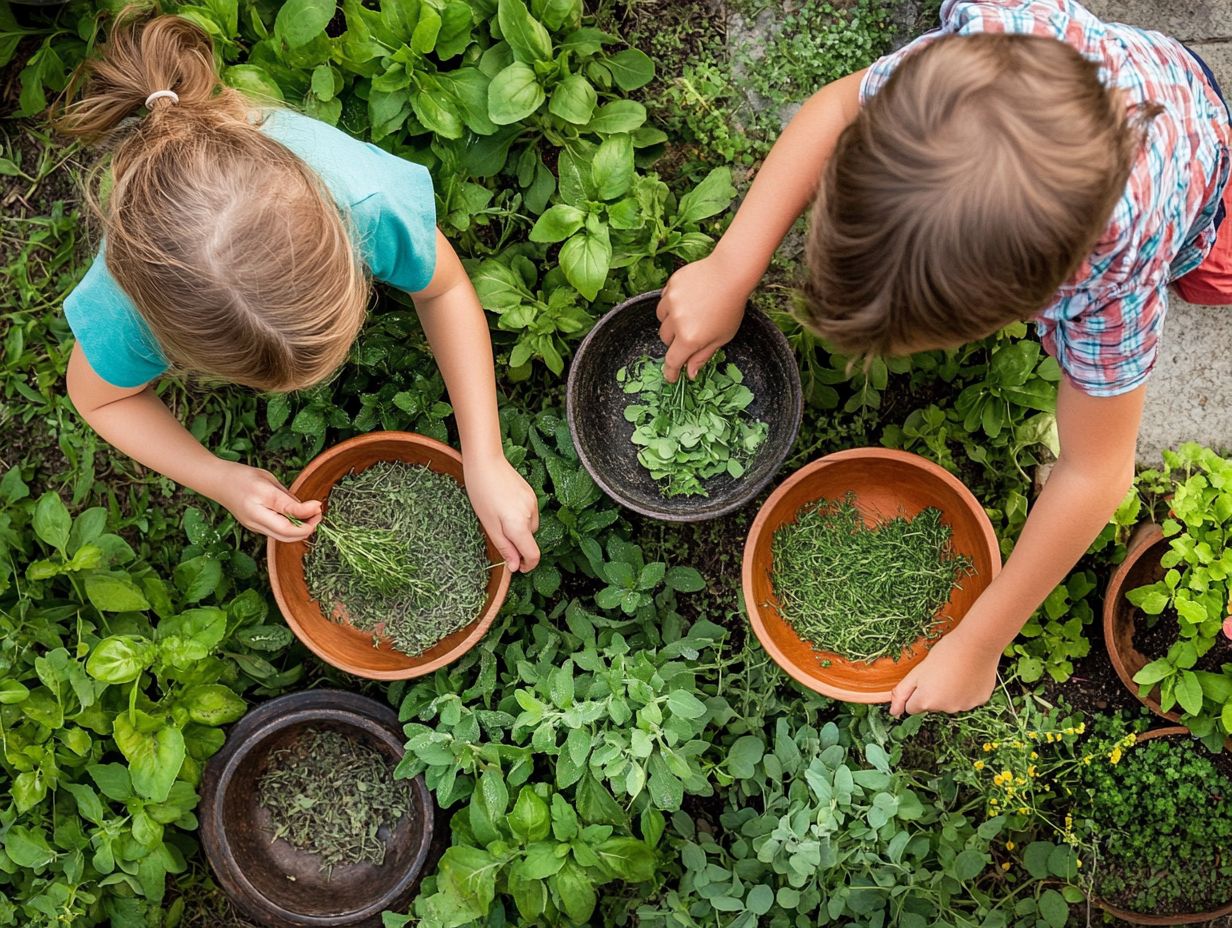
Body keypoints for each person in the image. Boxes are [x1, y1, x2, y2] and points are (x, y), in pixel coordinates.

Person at [655, 0, 1232, 714]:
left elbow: (1097, 473)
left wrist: (978, 642)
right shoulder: (963, 59)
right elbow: (838, 107)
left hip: (1196, 153)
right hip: (1117, 76)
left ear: (1032, 307)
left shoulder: (1115, 284)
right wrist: (731, 268)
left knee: (1212, 276)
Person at [57, 11, 540, 572]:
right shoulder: (124, 310)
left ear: (351, 244)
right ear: (167, 341)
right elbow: (98, 398)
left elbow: (446, 289)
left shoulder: (368, 201)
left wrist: (484, 456)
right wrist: (217, 477)